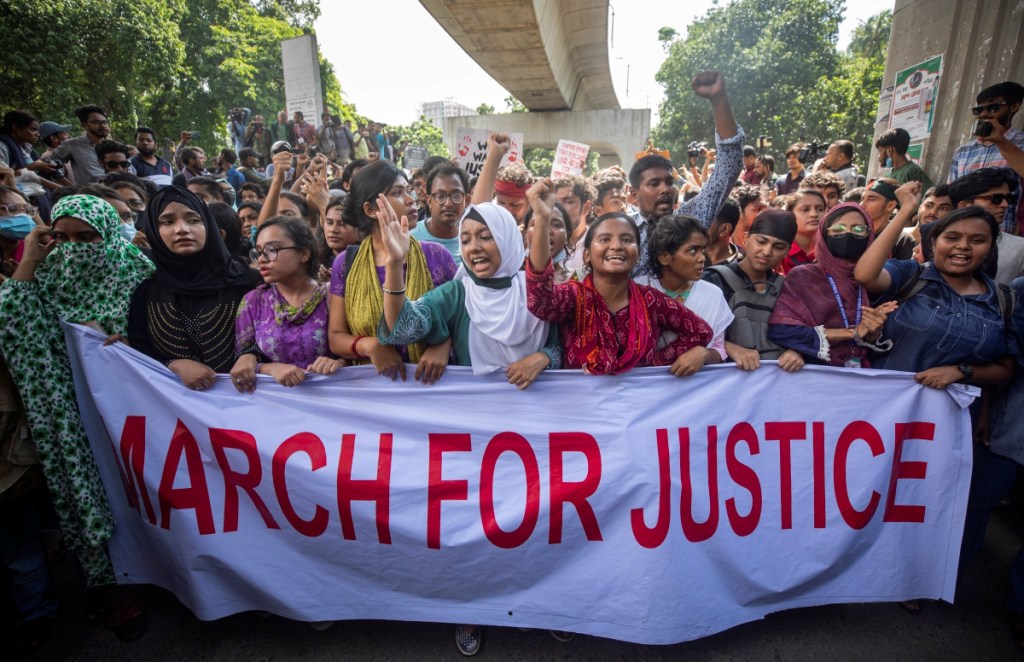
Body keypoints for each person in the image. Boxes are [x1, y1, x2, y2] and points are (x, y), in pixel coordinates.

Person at [0, 195, 154, 638]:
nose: (73, 248)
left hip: (132, 414)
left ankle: (160, 573)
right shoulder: (45, 277)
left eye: (86, 238)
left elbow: (160, 335)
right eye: (61, 238)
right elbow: (13, 328)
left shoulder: (137, 271)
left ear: (107, 234)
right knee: (90, 497)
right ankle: (112, 591)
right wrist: (29, 258)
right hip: (69, 416)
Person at [525, 179, 711, 375]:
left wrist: (658, 364)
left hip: (639, 403)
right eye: (605, 239)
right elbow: (539, 301)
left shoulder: (651, 300)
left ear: (638, 253)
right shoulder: (573, 297)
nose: (616, 246)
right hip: (579, 403)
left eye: (627, 239)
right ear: (587, 254)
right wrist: (543, 218)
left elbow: (701, 332)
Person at [327, 160, 457, 380]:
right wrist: (370, 346)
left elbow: (463, 316)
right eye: (398, 192)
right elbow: (336, 337)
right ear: (370, 209)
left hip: (432, 384)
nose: (411, 199)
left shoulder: (436, 255)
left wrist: (443, 345)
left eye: (409, 191)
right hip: (374, 391)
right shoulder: (346, 262)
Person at [127, 187, 261, 390]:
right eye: (167, 221)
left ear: (208, 225)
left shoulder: (248, 282)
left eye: (193, 220)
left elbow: (277, 334)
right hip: (178, 413)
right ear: (153, 231)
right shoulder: (147, 293)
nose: (181, 229)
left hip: (248, 406)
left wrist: (250, 354)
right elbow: (140, 348)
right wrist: (174, 364)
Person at [628, 70, 744, 276]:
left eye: (669, 182)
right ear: (634, 194)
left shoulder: (691, 217)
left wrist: (719, 100)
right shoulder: (622, 232)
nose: (665, 189)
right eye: (654, 184)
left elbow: (729, 165)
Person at [767, 202, 898, 367]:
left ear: (870, 235)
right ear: (823, 234)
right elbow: (783, 330)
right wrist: (850, 333)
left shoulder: (878, 280)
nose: (848, 234)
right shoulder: (803, 277)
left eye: (858, 229)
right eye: (838, 230)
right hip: (813, 372)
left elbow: (875, 341)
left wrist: (873, 332)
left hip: (860, 374)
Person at [231, 216, 341, 390]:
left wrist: (339, 362)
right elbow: (242, 363)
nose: (261, 259)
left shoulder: (332, 296)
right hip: (276, 407)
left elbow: (355, 354)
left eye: (272, 250)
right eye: (259, 252)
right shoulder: (253, 302)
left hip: (331, 402)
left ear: (304, 253)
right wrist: (270, 368)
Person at [704, 209, 805, 370]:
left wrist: (796, 351)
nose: (767, 252)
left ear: (787, 251)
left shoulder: (787, 288)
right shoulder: (713, 281)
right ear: (746, 239)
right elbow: (692, 333)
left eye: (778, 247)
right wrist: (727, 347)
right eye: (761, 241)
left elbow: (801, 333)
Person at [643, 215, 733, 372]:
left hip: (695, 392)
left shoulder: (713, 295)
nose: (702, 258)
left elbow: (719, 350)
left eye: (703, 250)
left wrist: (704, 354)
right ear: (664, 257)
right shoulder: (639, 290)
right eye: (693, 251)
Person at [948, 81, 1024, 234]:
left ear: (1014, 107)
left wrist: (1001, 141)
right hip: (964, 233)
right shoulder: (963, 151)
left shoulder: (1020, 145)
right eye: (979, 110)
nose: (984, 114)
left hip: (1006, 237)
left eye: (993, 107)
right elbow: (951, 195)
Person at [948, 167, 1024, 285]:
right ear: (964, 206)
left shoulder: (1020, 248)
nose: (1005, 205)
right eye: (996, 199)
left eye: (1009, 199)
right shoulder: (935, 240)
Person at [410, 162, 469, 264]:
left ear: (466, 200)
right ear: (429, 201)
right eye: (440, 196)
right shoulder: (411, 240)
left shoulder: (473, 239)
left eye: (456, 195)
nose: (448, 203)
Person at [51, 105, 110, 185]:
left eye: (104, 122)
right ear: (84, 125)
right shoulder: (72, 145)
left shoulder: (114, 146)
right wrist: (69, 185)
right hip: (90, 195)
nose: (102, 126)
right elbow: (49, 164)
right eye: (96, 122)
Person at [860, 178, 916, 259]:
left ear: (890, 205)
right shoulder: (855, 231)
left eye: (871, 199)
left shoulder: (901, 240)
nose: (862, 205)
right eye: (862, 199)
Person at [524, 200, 575, 283]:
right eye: (537, 223)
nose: (546, 231)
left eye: (556, 225)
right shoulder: (512, 278)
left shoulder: (579, 280)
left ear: (567, 236)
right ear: (525, 235)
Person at [782, 188, 826, 274]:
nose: (814, 214)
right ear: (790, 214)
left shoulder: (831, 249)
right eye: (805, 209)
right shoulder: (781, 251)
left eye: (820, 209)